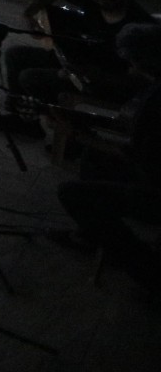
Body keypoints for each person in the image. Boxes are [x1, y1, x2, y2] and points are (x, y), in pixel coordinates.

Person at [50, 21, 161, 289]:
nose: (130, 68)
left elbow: (138, 159)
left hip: (155, 189)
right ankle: (91, 236)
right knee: (95, 159)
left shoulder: (156, 103)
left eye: (132, 62)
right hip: (150, 167)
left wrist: (75, 134)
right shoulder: (153, 92)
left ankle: (145, 269)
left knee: (72, 194)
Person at [6, 0, 153, 110]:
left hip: (111, 82)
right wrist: (28, 15)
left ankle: (67, 125)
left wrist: (92, 75)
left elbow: (140, 79)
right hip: (82, 64)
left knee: (31, 77)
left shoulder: (138, 26)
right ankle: (20, 117)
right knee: (16, 54)